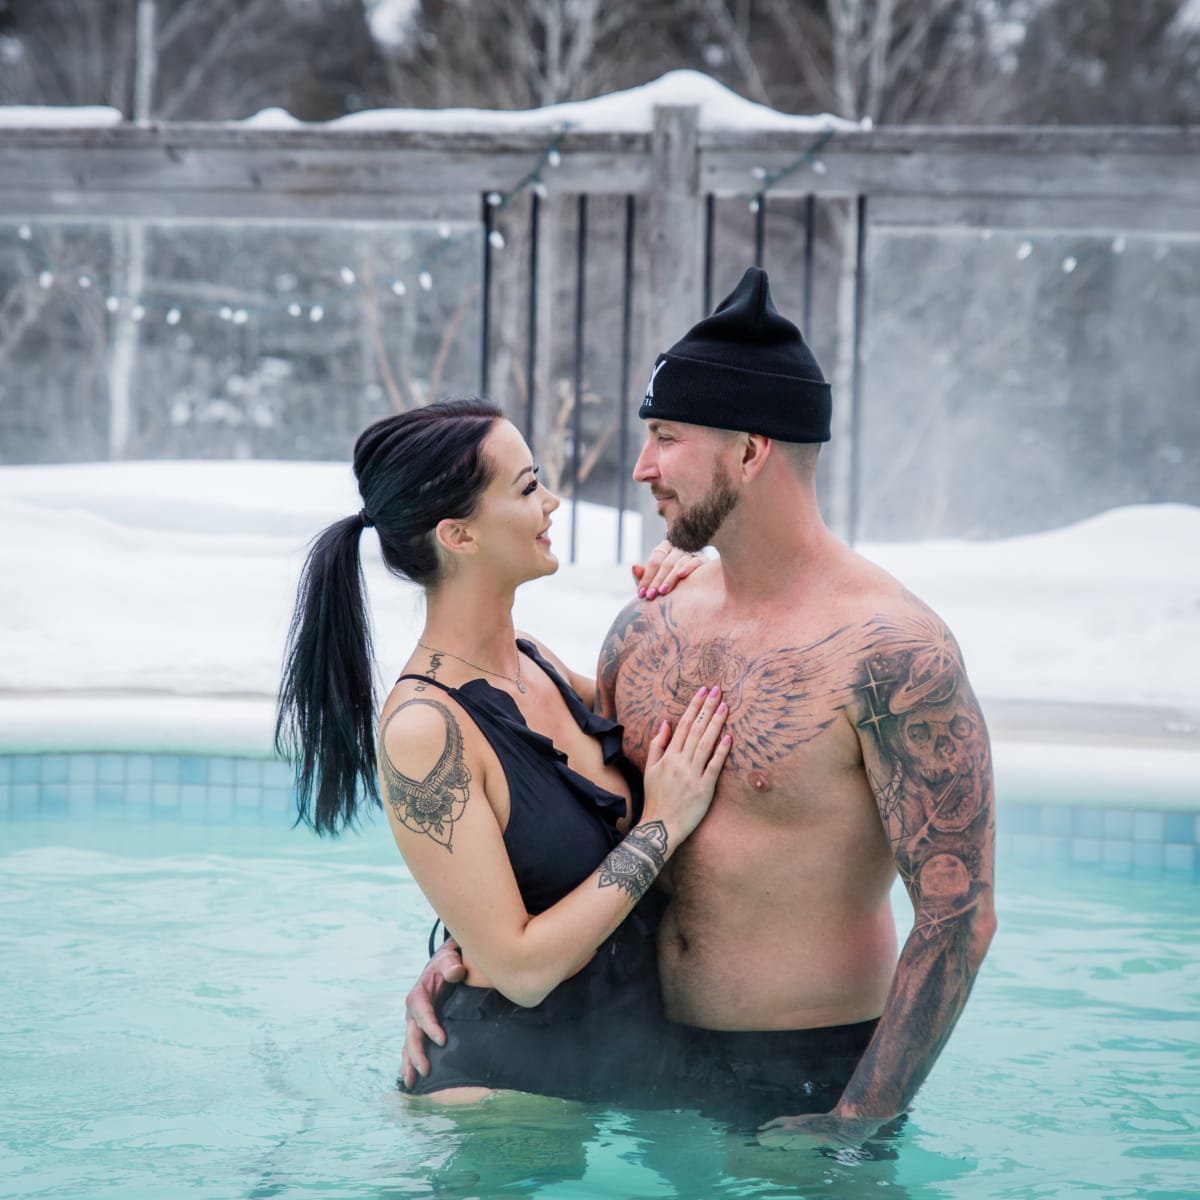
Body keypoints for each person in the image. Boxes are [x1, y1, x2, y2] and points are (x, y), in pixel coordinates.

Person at [402, 269, 997, 1148]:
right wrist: (468, 956)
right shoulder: (647, 629)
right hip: (638, 1059)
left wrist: (857, 1123)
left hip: (803, 1072)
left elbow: (958, 918)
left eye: (666, 438)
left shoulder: (893, 652)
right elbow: (564, 816)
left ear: (752, 451)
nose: (640, 468)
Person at [275, 397, 731, 1105]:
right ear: (458, 535)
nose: (551, 503)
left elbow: (693, 717)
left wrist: (701, 577)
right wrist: (661, 827)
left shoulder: (535, 662)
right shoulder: (424, 729)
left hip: (612, 1067)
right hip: (507, 1094)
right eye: (525, 489)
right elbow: (518, 969)